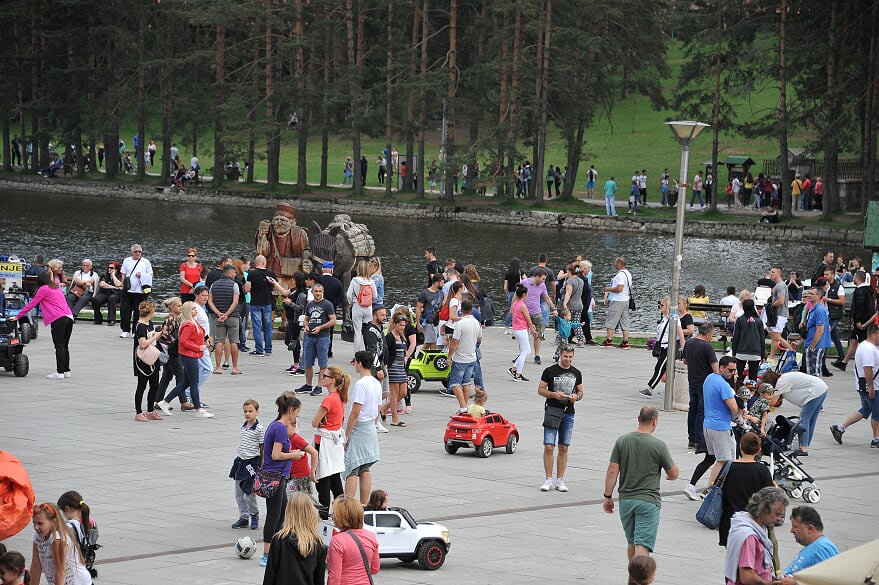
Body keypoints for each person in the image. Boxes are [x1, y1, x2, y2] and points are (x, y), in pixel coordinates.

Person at [603, 406, 678, 559]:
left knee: (632, 542)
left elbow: (612, 471)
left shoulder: (622, 441)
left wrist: (608, 496)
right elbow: (673, 473)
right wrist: (670, 476)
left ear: (638, 418)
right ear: (655, 421)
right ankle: (640, 574)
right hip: (648, 501)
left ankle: (632, 572)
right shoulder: (658, 445)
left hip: (626, 501)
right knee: (642, 544)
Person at [685, 355, 740, 501]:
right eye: (730, 370)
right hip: (721, 427)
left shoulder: (709, 378)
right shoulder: (724, 385)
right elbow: (735, 409)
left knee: (713, 458)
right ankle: (709, 491)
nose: (733, 373)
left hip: (708, 425)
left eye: (734, 371)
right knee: (724, 460)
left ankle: (694, 486)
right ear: (721, 368)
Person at [258, 392, 301, 568]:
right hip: (275, 477)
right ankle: (266, 554)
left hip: (276, 476)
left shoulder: (275, 425)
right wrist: (293, 455)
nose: (297, 416)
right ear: (290, 410)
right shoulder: (281, 428)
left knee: (281, 512)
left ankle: (275, 550)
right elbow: (276, 455)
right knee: (274, 515)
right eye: (297, 412)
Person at [156, 301, 214, 418]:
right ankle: (198, 409)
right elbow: (183, 341)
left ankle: (165, 402)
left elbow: (200, 334)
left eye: (195, 308)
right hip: (188, 356)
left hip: (191, 355)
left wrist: (207, 342)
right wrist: (199, 347)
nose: (196, 310)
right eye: (193, 309)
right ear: (188, 311)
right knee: (194, 383)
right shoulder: (188, 324)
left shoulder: (193, 322)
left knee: (185, 383)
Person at [538, 346, 584, 493]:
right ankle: (548, 479)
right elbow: (540, 389)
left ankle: (560, 479)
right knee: (549, 446)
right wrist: (553, 394)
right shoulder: (549, 371)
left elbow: (580, 391)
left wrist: (576, 397)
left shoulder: (576, 373)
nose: (568, 359)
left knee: (564, 447)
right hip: (552, 410)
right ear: (560, 355)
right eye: (565, 356)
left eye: (570, 357)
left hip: (568, 412)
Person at [12, 271, 74, 379]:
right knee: (64, 345)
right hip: (69, 316)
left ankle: (59, 372)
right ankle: (66, 370)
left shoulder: (43, 289)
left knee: (59, 346)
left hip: (58, 318)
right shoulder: (56, 286)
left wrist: (17, 316)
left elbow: (31, 304)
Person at [718, 432, 774, 547]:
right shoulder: (762, 470)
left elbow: (719, 489)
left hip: (730, 521)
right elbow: (770, 497)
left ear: (740, 447)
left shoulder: (728, 467)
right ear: (758, 450)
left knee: (733, 555)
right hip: (753, 522)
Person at [724, 487, 789, 585]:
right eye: (777, 514)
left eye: (781, 515)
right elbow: (747, 577)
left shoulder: (744, 522)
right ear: (763, 509)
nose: (779, 519)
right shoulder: (749, 537)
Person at [830, 323, 879, 448]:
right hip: (872, 386)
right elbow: (867, 370)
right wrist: (871, 387)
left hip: (864, 385)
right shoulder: (868, 349)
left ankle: (839, 428)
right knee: (877, 412)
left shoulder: (864, 345)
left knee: (866, 409)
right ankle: (876, 439)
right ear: (874, 334)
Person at [262, 492, 327, 585]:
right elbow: (319, 580)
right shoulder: (318, 544)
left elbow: (270, 576)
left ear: (288, 512)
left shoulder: (279, 539)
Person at [344, 351, 382, 503]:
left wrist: (346, 435)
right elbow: (378, 407)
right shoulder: (376, 383)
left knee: (352, 468)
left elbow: (355, 412)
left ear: (359, 363)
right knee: (365, 467)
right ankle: (364, 503)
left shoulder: (361, 384)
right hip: (370, 426)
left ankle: (348, 505)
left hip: (359, 427)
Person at [763, 369, 828, 456]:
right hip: (821, 388)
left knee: (804, 419)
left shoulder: (781, 382)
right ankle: (805, 445)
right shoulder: (784, 379)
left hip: (815, 392)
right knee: (811, 420)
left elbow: (772, 403)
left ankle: (803, 448)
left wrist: (761, 407)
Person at [312, 366, 349, 509]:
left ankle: (323, 513)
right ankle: (343, 510)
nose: (322, 378)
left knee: (323, 480)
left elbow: (314, 422)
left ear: (332, 380)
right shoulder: (341, 396)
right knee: (335, 479)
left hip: (324, 442)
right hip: (336, 441)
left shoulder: (329, 399)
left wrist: (320, 423)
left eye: (325, 376)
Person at [30, 502, 92, 585]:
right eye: (34, 523)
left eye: (40, 523)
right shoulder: (37, 536)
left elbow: (60, 571)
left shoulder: (58, 539)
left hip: (77, 582)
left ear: (53, 521)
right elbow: (35, 565)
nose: (36, 527)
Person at [774, 507, 839, 584]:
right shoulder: (815, 546)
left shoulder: (822, 549)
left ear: (810, 529)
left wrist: (795, 583)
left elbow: (831, 581)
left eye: (795, 526)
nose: (792, 531)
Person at [638, 296, 685, 399]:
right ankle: (651, 388)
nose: (660, 307)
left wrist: (683, 349)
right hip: (663, 346)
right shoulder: (664, 318)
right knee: (659, 367)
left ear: (667, 306)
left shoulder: (674, 318)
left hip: (669, 347)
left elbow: (680, 334)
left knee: (661, 368)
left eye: (662, 305)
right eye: (660, 305)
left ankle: (650, 388)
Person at [326, 495, 380, 585]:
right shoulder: (371, 536)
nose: (332, 516)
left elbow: (335, 577)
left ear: (342, 517)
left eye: (334, 513)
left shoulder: (338, 541)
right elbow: (375, 569)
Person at [294, 284, 337, 396]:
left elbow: (333, 320)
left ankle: (319, 386)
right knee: (308, 363)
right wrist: (306, 326)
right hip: (310, 337)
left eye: (320, 291)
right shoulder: (310, 305)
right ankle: (308, 385)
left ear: (323, 292)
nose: (318, 293)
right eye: (316, 291)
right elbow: (306, 319)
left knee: (322, 363)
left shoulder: (327, 304)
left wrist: (321, 327)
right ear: (312, 292)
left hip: (322, 337)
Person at [683, 323, 719, 453]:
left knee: (692, 409)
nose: (712, 337)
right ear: (708, 334)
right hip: (705, 383)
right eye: (712, 335)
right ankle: (699, 439)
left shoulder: (689, 343)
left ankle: (691, 438)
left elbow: (685, 361)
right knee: (701, 411)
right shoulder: (707, 346)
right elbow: (715, 369)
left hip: (692, 380)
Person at [230, 399, 265, 530]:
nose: (247, 414)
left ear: (257, 412)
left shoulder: (259, 429)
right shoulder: (244, 426)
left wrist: (262, 466)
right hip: (241, 462)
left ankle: (254, 515)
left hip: (252, 463)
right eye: (245, 411)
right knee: (239, 493)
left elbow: (263, 448)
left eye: (250, 411)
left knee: (249, 493)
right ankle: (243, 517)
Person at [834, 270, 877, 371]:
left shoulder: (860, 291)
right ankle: (844, 362)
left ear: (857, 278)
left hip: (862, 321)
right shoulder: (868, 290)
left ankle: (864, 364)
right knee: (854, 340)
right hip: (865, 319)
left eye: (854, 277)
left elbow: (859, 307)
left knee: (862, 342)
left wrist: (858, 320)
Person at [447, 300, 482, 414]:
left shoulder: (460, 323)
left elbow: (454, 342)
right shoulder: (476, 323)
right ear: (471, 310)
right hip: (472, 357)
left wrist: (449, 357)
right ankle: (464, 407)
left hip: (460, 358)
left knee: (455, 383)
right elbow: (479, 338)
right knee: (466, 383)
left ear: (461, 310)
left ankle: (463, 407)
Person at [132, 301, 164, 422]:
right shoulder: (140, 326)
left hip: (153, 356)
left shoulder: (149, 323)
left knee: (155, 384)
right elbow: (143, 343)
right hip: (143, 359)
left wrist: (157, 334)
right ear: (150, 312)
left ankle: (150, 410)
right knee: (142, 385)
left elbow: (150, 338)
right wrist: (155, 336)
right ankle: (138, 412)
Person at [56, 491, 98, 578]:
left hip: (74, 566)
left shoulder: (70, 526)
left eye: (62, 512)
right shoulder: (91, 521)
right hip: (87, 560)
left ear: (67, 509)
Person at [208, 264, 241, 375]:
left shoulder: (214, 285)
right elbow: (235, 302)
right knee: (234, 341)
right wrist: (227, 314)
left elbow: (210, 301)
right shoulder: (234, 285)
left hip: (219, 317)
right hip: (232, 316)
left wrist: (219, 313)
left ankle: (218, 367)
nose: (235, 275)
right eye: (234, 273)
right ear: (229, 273)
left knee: (219, 342)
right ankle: (235, 368)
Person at [381, 313, 413, 425]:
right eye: (400, 325)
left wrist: (405, 357)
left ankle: (384, 408)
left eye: (404, 325)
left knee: (403, 392)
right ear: (395, 324)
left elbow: (404, 350)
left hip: (401, 367)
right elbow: (385, 351)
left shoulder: (402, 337)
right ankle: (395, 419)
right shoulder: (390, 337)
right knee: (394, 394)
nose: (402, 327)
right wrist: (385, 364)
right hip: (393, 367)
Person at [119, 244, 153, 338]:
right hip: (128, 290)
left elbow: (150, 274)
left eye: (139, 251)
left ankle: (135, 331)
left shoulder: (145, 262)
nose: (138, 253)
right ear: (132, 252)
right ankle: (125, 330)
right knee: (125, 311)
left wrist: (142, 275)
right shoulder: (127, 261)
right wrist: (123, 285)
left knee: (138, 313)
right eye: (136, 251)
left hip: (140, 291)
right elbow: (123, 274)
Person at [731, 299, 766, 383]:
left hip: (741, 352)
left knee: (738, 375)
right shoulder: (759, 321)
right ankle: (752, 390)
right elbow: (762, 339)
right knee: (753, 377)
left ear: (743, 307)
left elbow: (736, 337)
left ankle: (737, 389)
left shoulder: (740, 320)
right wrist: (762, 355)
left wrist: (734, 352)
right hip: (755, 353)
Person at [602, 257, 633, 349]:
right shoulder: (628, 274)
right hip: (625, 300)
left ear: (619, 264)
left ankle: (609, 341)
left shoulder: (620, 275)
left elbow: (619, 288)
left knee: (611, 320)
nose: (615, 264)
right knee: (625, 321)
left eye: (616, 263)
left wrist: (608, 289)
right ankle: (625, 342)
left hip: (617, 300)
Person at [800, 286, 831, 378]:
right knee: (812, 373)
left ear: (818, 296)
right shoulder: (814, 309)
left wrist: (812, 347)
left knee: (813, 374)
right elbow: (810, 329)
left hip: (816, 346)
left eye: (811, 294)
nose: (808, 295)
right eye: (808, 293)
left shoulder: (819, 310)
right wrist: (799, 343)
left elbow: (820, 330)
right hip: (811, 344)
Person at [347, 260, 377, 354]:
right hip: (368, 308)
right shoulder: (371, 282)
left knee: (357, 332)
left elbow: (348, 295)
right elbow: (375, 296)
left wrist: (351, 302)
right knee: (368, 331)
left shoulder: (355, 280)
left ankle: (357, 355)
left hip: (357, 307)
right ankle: (369, 352)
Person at [508, 285, 536, 383]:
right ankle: (518, 374)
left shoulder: (515, 303)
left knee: (527, 351)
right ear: (524, 294)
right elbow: (528, 319)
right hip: (521, 330)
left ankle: (514, 369)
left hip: (517, 329)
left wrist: (530, 327)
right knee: (524, 352)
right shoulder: (523, 306)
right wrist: (532, 329)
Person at [416, 274, 444, 350]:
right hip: (428, 321)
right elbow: (418, 308)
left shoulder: (441, 293)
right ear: (437, 282)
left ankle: (421, 355)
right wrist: (418, 323)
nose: (443, 283)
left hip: (437, 321)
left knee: (429, 342)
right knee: (433, 341)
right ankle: (433, 356)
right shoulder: (425, 293)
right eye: (442, 281)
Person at [92, 260, 123, 325]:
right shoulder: (104, 275)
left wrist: (113, 275)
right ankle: (98, 319)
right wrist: (114, 287)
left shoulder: (120, 276)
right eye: (108, 267)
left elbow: (119, 284)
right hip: (105, 293)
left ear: (116, 269)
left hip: (116, 294)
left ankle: (111, 320)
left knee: (112, 298)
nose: (109, 269)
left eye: (111, 268)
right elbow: (102, 284)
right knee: (95, 299)